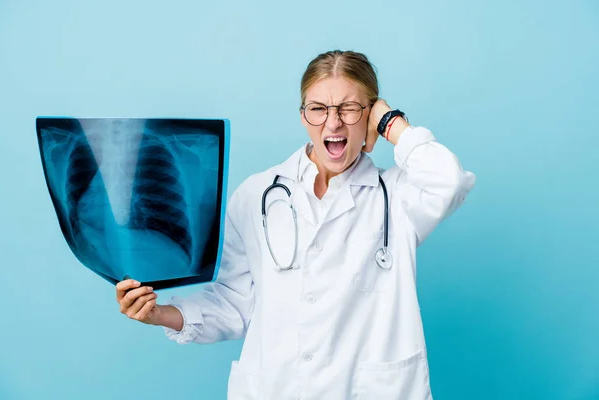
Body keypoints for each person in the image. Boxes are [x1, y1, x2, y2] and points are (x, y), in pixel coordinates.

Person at [116, 49, 476, 399]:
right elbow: (235, 303)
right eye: (318, 109)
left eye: (349, 108)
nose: (332, 122)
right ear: (303, 116)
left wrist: (391, 122)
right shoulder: (257, 194)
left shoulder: (396, 195)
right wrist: (160, 314)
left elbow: (450, 180)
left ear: (368, 117)